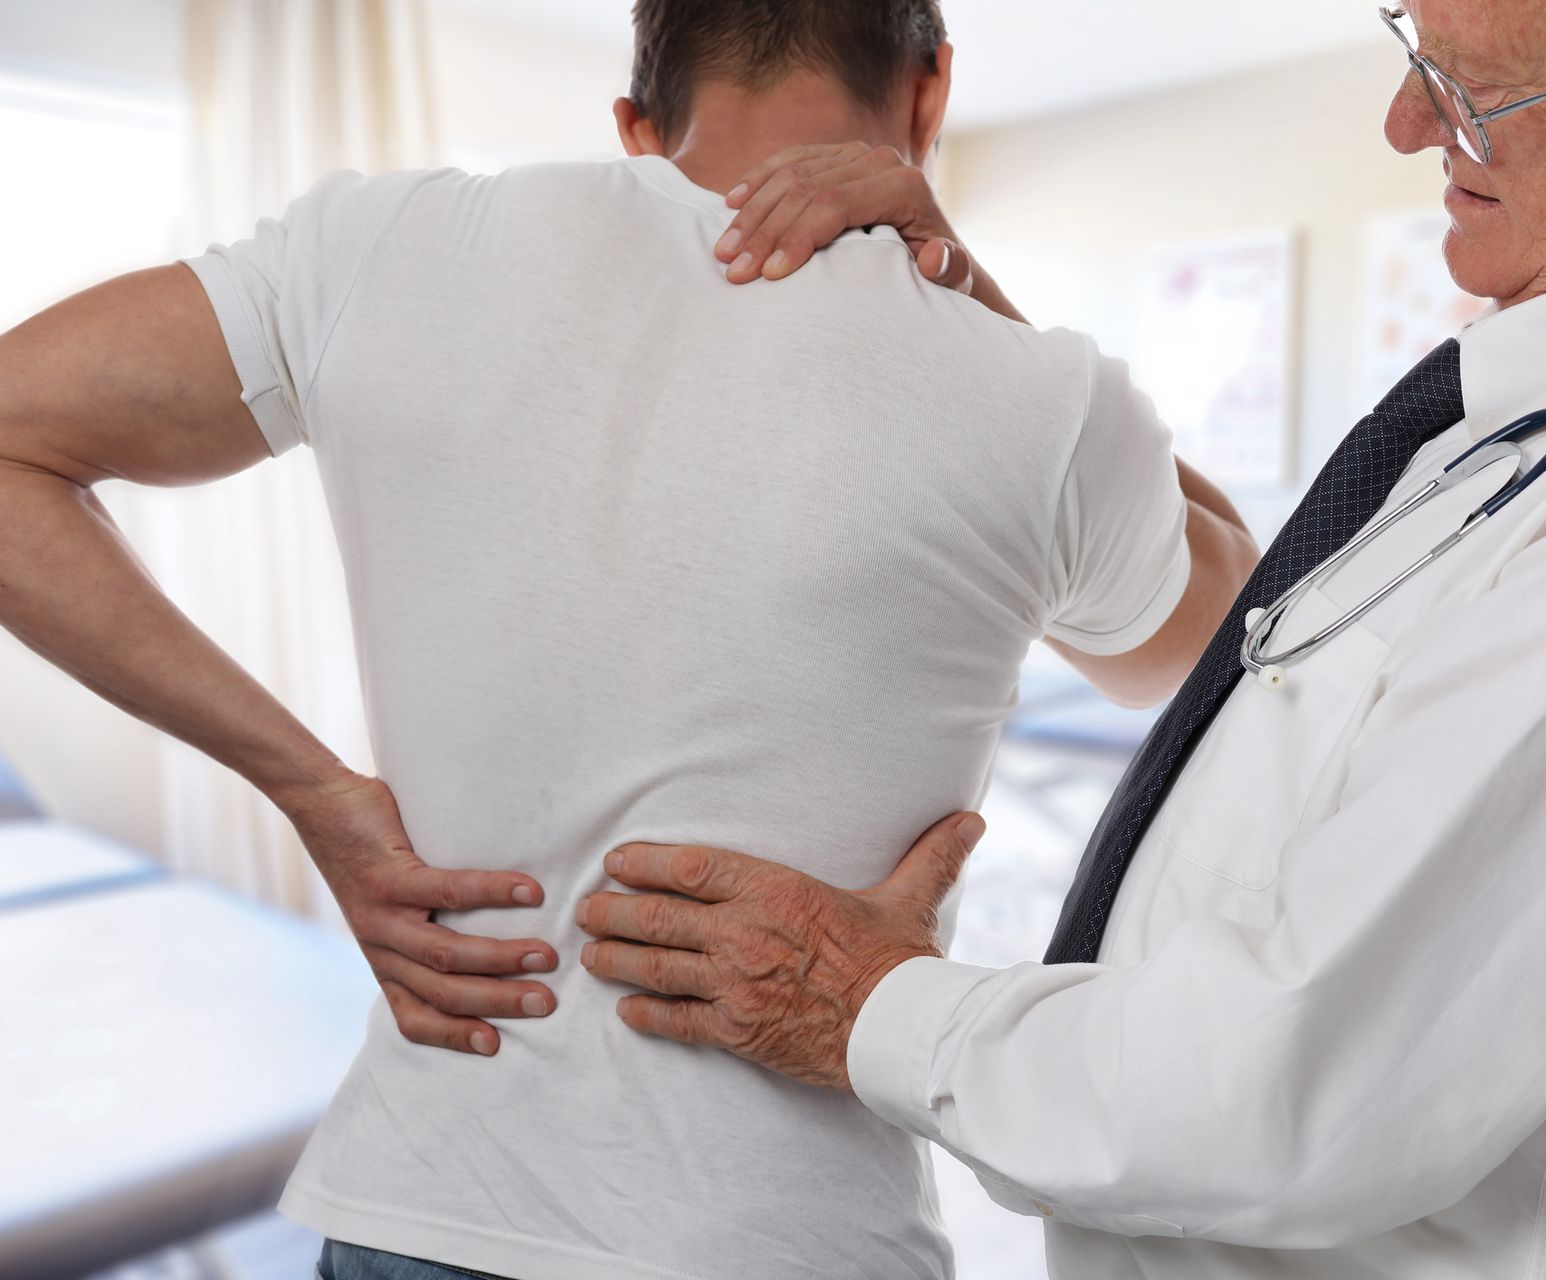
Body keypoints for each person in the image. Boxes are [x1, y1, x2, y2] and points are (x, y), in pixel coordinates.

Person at [568, 0, 1546, 1276]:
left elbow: (1282, 1089)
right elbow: (1263, 638)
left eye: (1473, 89)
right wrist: (973, 333)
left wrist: (860, 998)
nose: (1405, 123)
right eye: (1415, 48)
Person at [0, 1, 1262, 1277]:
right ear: (931, 91)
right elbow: (1233, 644)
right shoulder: (1041, 397)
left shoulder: (380, 249)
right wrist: (967, 283)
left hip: (420, 1206)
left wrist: (312, 788)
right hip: (779, 1240)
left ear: (636, 125)